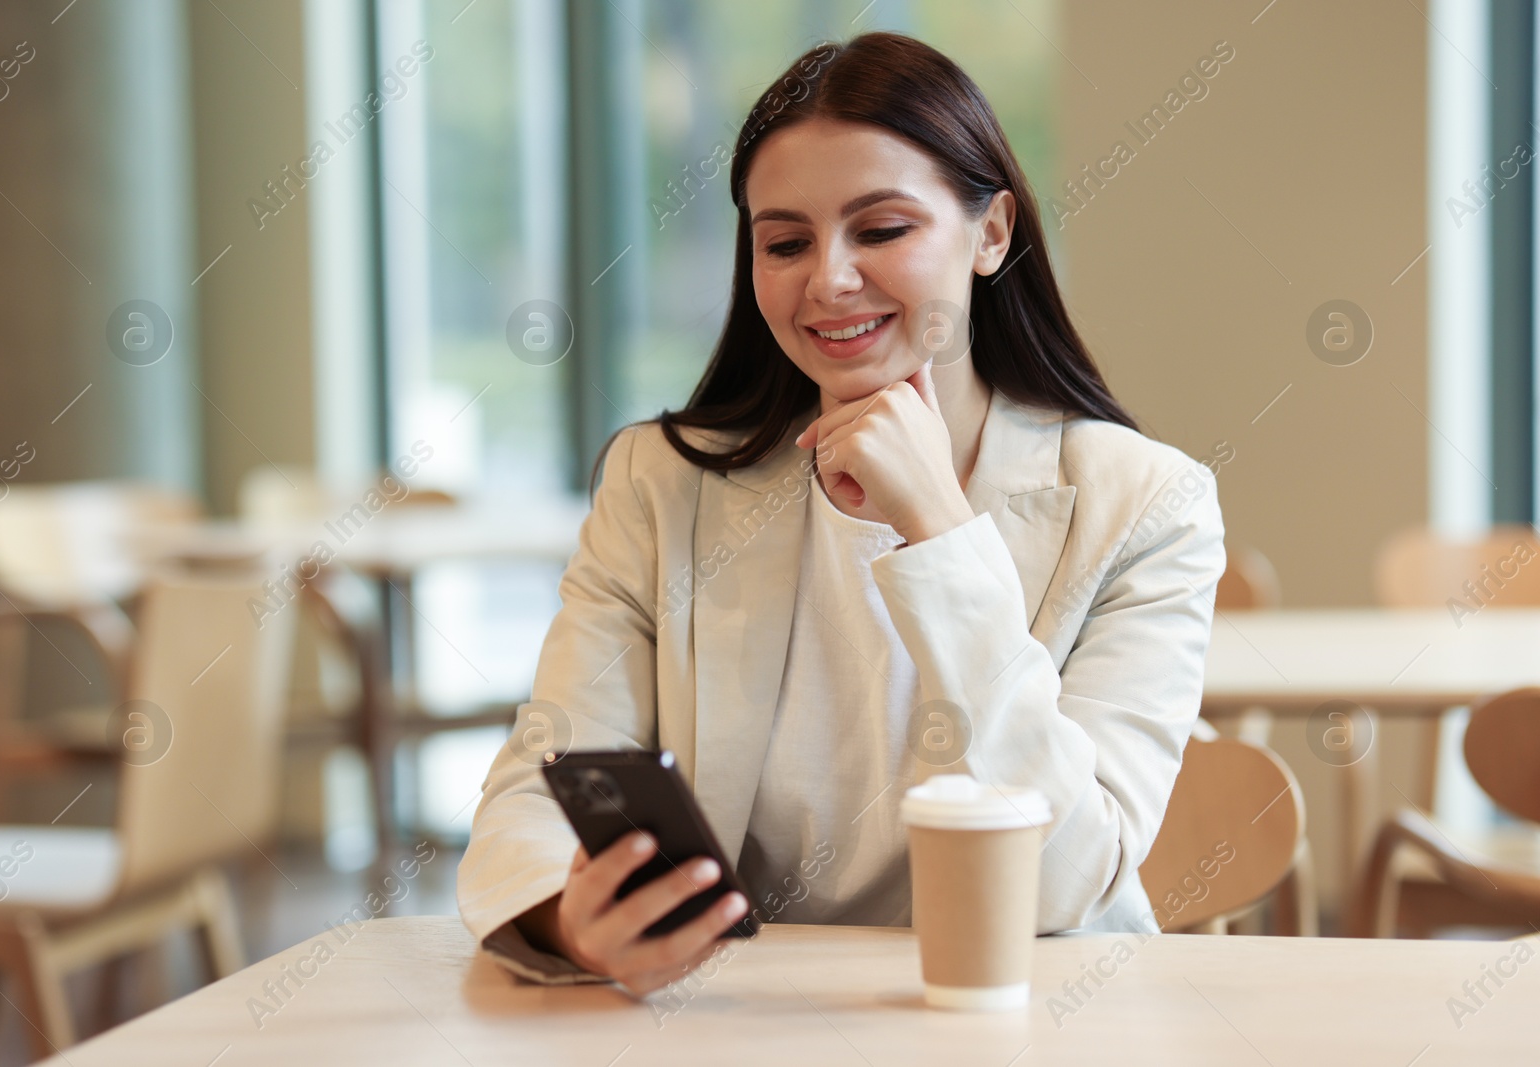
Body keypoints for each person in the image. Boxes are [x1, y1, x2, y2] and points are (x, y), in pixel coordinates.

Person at [457, 30, 1226, 996]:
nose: (829, 279)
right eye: (785, 243)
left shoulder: (1148, 504)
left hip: (1027, 1017)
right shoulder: (659, 484)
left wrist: (941, 531)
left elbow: (1069, 876)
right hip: (744, 1019)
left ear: (991, 234)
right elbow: (538, 789)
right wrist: (570, 922)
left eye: (882, 229)